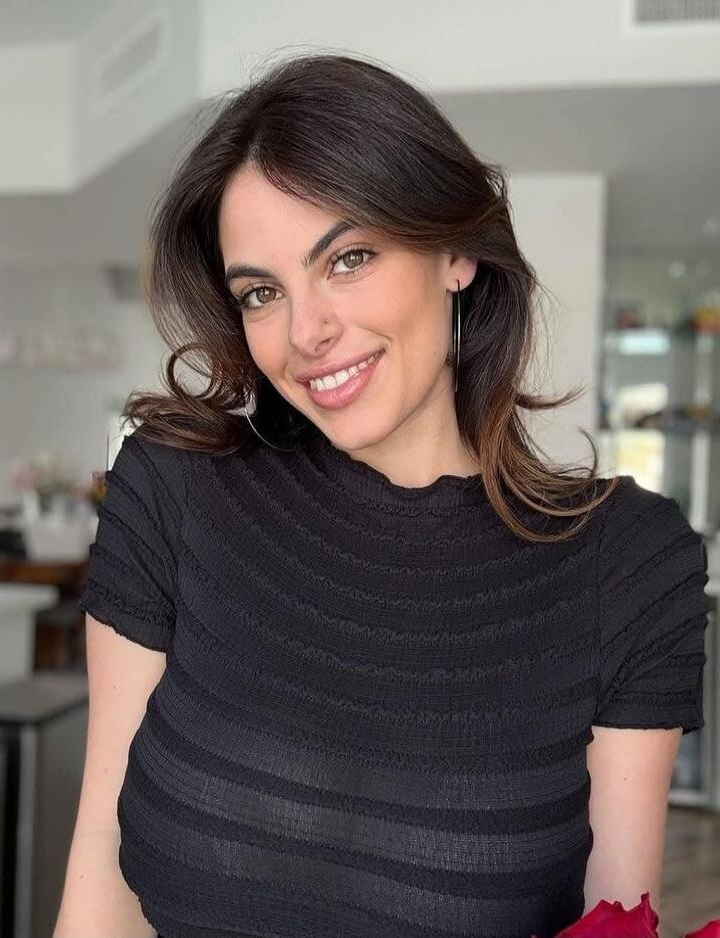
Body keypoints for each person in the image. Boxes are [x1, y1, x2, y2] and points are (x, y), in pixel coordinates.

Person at [54, 52, 711, 938]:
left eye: (349, 257)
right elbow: (102, 865)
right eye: (261, 291)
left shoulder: (628, 564)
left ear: (454, 250)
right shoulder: (173, 493)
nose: (306, 332)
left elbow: (614, 922)